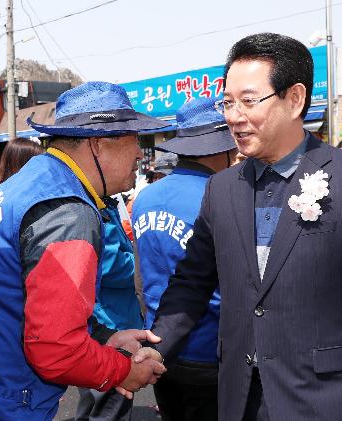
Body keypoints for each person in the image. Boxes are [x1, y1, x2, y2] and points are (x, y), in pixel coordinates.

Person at [141, 33, 342, 421]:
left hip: (327, 402)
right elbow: (192, 282)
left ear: (295, 98)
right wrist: (157, 345)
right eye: (228, 102)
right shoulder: (221, 189)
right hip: (239, 398)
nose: (233, 116)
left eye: (248, 101)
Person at [0, 82, 169, 420]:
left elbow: (38, 299)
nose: (141, 154)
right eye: (134, 141)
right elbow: (57, 351)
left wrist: (104, 337)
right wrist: (124, 370)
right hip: (8, 395)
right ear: (98, 145)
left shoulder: (35, 181)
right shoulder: (67, 210)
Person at [132, 97, 236, 421]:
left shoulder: (145, 198)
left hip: (159, 344)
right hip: (211, 348)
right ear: (222, 148)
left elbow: (140, 273)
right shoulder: (221, 197)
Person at [75, 194, 143, 421]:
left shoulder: (102, 205)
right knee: (109, 407)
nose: (138, 157)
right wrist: (148, 263)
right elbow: (112, 266)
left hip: (109, 319)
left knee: (95, 403)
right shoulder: (93, 209)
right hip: (110, 323)